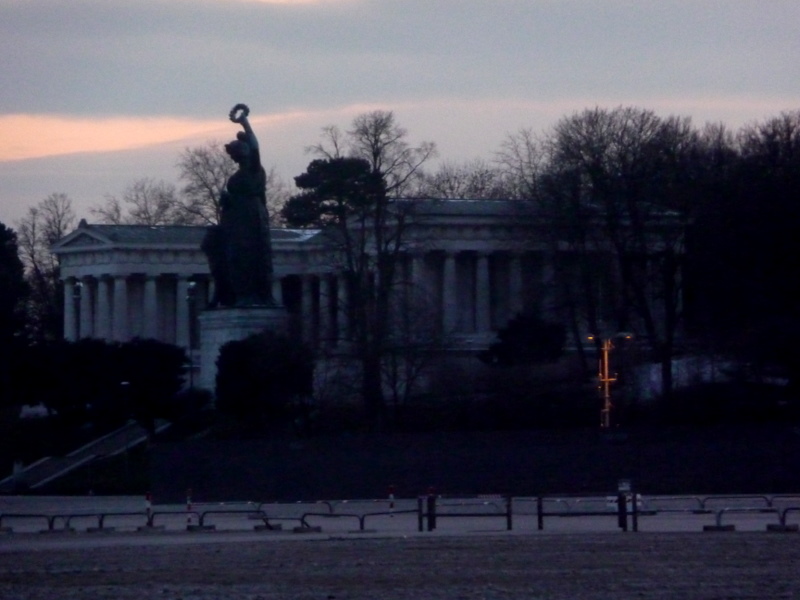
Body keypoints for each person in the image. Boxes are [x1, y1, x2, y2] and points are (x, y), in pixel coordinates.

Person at [203, 104, 275, 307]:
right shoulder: (240, 173)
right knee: (230, 254)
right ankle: (233, 293)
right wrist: (227, 201)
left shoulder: (254, 169)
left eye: (241, 149)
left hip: (251, 217)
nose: (241, 153)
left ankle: (250, 294)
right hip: (236, 218)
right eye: (237, 151)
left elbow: (255, 146)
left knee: (248, 254)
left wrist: (244, 122)